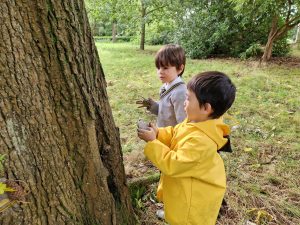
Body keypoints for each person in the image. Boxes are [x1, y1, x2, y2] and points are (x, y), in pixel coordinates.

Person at [137, 71, 236, 225]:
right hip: (185, 188)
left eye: (188, 99)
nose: (185, 102)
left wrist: (153, 143)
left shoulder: (201, 142)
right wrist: (158, 133)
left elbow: (173, 164)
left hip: (191, 203)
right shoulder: (197, 121)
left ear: (206, 108)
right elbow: (175, 132)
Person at [136, 44, 187, 127]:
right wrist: (153, 106)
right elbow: (166, 113)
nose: (160, 71)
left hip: (173, 137)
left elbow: (183, 124)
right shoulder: (165, 87)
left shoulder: (180, 93)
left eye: (165, 68)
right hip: (163, 135)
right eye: (158, 67)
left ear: (180, 69)